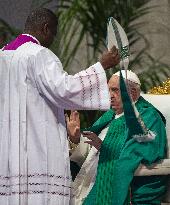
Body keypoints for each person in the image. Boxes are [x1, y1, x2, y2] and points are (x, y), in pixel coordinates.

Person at [0, 8, 120, 205]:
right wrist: (101, 66)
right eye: (54, 33)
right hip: (36, 142)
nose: (53, 40)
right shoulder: (39, 55)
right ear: (46, 28)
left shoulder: (3, 54)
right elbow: (65, 90)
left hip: (9, 143)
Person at [67, 70, 167, 205]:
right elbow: (91, 153)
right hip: (89, 182)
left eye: (115, 90)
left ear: (133, 93)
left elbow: (142, 152)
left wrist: (105, 148)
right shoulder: (109, 116)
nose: (110, 96)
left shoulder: (147, 117)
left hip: (122, 187)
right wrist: (75, 139)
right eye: (108, 90)